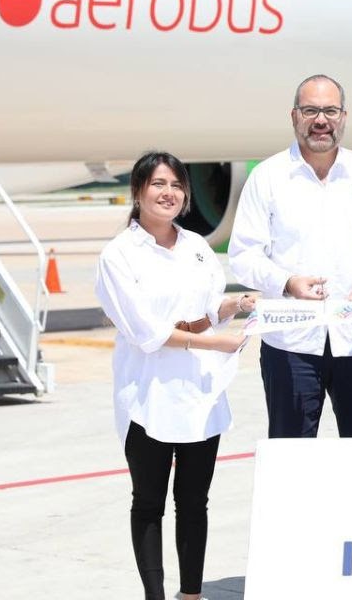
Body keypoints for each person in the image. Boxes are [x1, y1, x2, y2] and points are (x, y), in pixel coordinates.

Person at [95, 151, 252, 600]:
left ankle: (191, 594)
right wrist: (216, 343)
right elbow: (147, 332)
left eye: (178, 185)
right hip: (147, 397)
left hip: (199, 394)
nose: (169, 193)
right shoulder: (119, 255)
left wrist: (235, 305)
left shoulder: (196, 246)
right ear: (138, 191)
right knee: (149, 502)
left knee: (194, 502)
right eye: (159, 184)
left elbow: (203, 312)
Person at [229, 74, 352, 438]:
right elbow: (243, 254)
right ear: (294, 116)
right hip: (291, 343)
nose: (321, 120)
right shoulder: (268, 176)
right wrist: (287, 283)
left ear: (344, 116)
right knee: (292, 453)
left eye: (330, 111)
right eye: (310, 110)